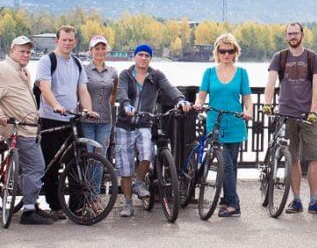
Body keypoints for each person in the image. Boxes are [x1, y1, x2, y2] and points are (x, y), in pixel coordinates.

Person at [0, 36, 53, 224]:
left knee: (26, 169)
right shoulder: (1, 70)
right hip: (18, 129)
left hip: (28, 128)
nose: (26, 55)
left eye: (28, 52)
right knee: (36, 167)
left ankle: (31, 204)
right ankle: (29, 210)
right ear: (12, 51)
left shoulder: (22, 70)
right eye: (22, 51)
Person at [262, 22, 317, 214]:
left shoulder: (313, 58)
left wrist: (313, 111)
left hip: (308, 116)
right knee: (292, 158)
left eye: (296, 33)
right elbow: (271, 82)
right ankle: (296, 200)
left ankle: (314, 201)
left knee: (316, 157)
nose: (293, 36)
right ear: (286, 37)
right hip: (286, 114)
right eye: (289, 34)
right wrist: (268, 103)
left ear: (302, 35)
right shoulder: (280, 57)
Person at [115, 43, 189, 217]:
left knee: (147, 153)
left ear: (150, 58)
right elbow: (122, 92)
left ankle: (139, 183)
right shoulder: (125, 74)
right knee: (125, 168)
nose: (143, 58)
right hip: (124, 124)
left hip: (144, 123)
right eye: (140, 54)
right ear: (134, 56)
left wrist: (180, 100)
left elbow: (169, 88)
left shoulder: (156, 76)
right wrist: (126, 104)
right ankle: (127, 204)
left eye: (147, 55)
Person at [35, 25, 99, 218]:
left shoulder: (77, 63)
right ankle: (55, 206)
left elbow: (83, 91)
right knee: (51, 165)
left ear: (75, 42)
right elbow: (45, 88)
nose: (67, 43)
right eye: (64, 40)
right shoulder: (47, 61)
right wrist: (55, 105)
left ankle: (76, 207)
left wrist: (88, 110)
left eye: (71, 40)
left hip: (72, 119)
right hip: (51, 118)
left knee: (78, 162)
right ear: (57, 40)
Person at [194, 33, 252, 217]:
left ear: (235, 52)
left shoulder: (242, 73)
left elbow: (247, 98)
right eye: (223, 50)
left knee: (231, 165)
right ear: (217, 52)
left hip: (235, 121)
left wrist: (249, 111)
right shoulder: (209, 73)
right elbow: (202, 95)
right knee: (225, 163)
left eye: (230, 50)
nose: (226, 54)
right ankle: (234, 203)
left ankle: (226, 200)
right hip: (215, 121)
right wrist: (197, 103)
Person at [80, 35, 117, 186]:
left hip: (105, 121)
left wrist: (108, 106)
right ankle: (84, 193)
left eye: (103, 48)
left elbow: (114, 92)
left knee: (100, 158)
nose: (100, 51)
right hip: (87, 121)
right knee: (89, 157)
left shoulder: (112, 72)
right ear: (91, 51)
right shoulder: (84, 70)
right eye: (97, 48)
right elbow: (80, 91)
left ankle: (94, 196)